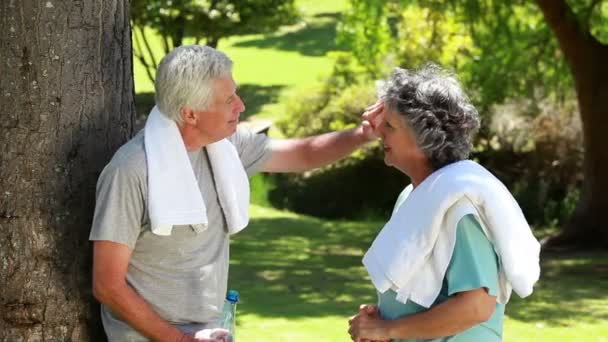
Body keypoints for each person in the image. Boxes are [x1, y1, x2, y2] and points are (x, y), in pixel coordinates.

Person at [90, 45, 379, 342]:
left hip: (210, 332)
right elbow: (107, 284)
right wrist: (179, 340)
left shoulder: (226, 147)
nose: (240, 105)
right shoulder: (131, 171)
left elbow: (303, 155)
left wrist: (363, 135)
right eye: (228, 99)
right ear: (190, 114)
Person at [348, 65, 540, 342]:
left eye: (390, 126)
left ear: (424, 136)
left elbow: (475, 307)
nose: (380, 134)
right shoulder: (414, 196)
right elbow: (425, 288)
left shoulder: (459, 205)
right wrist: (383, 320)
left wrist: (388, 329)